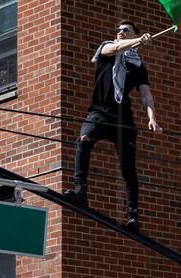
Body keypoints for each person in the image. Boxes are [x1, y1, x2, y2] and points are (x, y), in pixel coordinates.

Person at [67, 19, 163, 232]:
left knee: (128, 167)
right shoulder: (106, 48)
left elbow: (146, 95)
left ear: (134, 33)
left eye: (125, 30)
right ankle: (80, 189)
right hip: (99, 112)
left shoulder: (137, 65)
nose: (119, 32)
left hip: (123, 119)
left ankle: (133, 216)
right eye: (118, 30)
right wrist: (138, 40)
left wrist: (152, 118)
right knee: (84, 139)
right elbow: (117, 47)